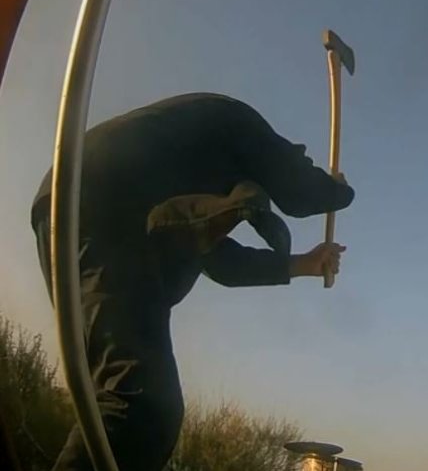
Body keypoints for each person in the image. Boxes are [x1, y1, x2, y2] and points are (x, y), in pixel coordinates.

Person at [30, 92, 355, 471]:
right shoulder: (238, 122)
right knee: (142, 405)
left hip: (72, 210)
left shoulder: (187, 183)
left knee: (123, 401)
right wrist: (337, 189)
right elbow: (301, 190)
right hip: (105, 209)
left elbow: (223, 264)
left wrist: (303, 264)